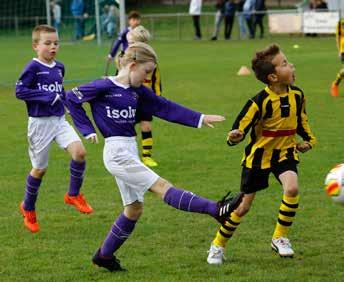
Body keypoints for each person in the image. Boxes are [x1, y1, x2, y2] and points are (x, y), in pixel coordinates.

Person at [65, 42, 244, 271]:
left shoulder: (138, 91)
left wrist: (199, 118)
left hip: (130, 149)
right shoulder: (103, 86)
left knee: (134, 209)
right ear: (132, 65)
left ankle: (104, 255)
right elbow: (72, 98)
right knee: (161, 186)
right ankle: (216, 209)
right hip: (116, 153)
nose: (148, 78)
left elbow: (165, 107)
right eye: (146, 72)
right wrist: (87, 128)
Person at [206, 44, 316, 265]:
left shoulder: (297, 95)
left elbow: (301, 121)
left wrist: (309, 141)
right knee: (243, 207)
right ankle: (217, 245)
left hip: (285, 154)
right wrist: (234, 136)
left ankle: (280, 237)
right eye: (285, 64)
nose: (291, 65)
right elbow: (239, 127)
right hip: (258, 158)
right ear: (273, 77)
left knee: (292, 187)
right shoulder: (258, 102)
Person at [15, 25, 93, 233]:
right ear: (35, 46)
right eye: (47, 43)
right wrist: (47, 97)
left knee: (80, 152)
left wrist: (66, 104)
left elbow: (59, 92)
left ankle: (73, 194)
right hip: (40, 124)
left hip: (59, 121)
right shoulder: (32, 68)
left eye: (56, 43)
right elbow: (20, 91)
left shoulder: (60, 67)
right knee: (40, 169)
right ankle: (28, 207)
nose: (53, 47)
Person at [118, 25, 162, 167]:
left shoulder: (152, 63)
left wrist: (157, 98)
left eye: (132, 43)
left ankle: (146, 156)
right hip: (129, 99)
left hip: (145, 100)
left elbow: (157, 81)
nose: (129, 46)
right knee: (128, 129)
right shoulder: (123, 59)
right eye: (129, 43)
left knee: (146, 126)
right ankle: (129, 156)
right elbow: (118, 78)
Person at [330, 19, 344, 97]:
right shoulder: (340, 23)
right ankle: (335, 84)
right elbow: (338, 37)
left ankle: (335, 83)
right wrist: (339, 50)